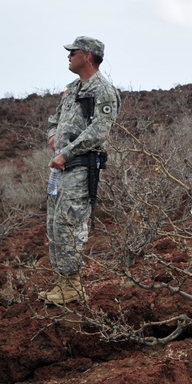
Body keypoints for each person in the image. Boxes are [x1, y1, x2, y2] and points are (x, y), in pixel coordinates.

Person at [41, 36, 120, 304]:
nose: (68, 56)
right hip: (61, 169)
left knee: (70, 223)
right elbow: (54, 120)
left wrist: (66, 152)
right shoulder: (72, 89)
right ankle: (63, 283)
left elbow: (99, 130)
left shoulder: (103, 90)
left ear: (87, 55)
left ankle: (72, 285)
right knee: (55, 224)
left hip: (80, 168)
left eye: (72, 52)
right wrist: (53, 138)